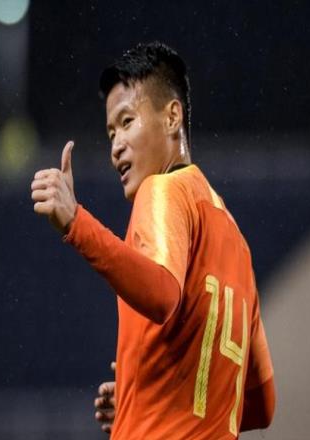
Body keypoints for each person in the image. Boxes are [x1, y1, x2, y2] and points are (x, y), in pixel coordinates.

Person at [31, 41, 275, 439]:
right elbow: (262, 404)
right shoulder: (237, 242)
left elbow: (162, 294)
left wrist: (76, 222)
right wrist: (148, 395)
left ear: (172, 116)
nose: (116, 146)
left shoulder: (163, 189)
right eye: (111, 132)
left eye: (127, 122)